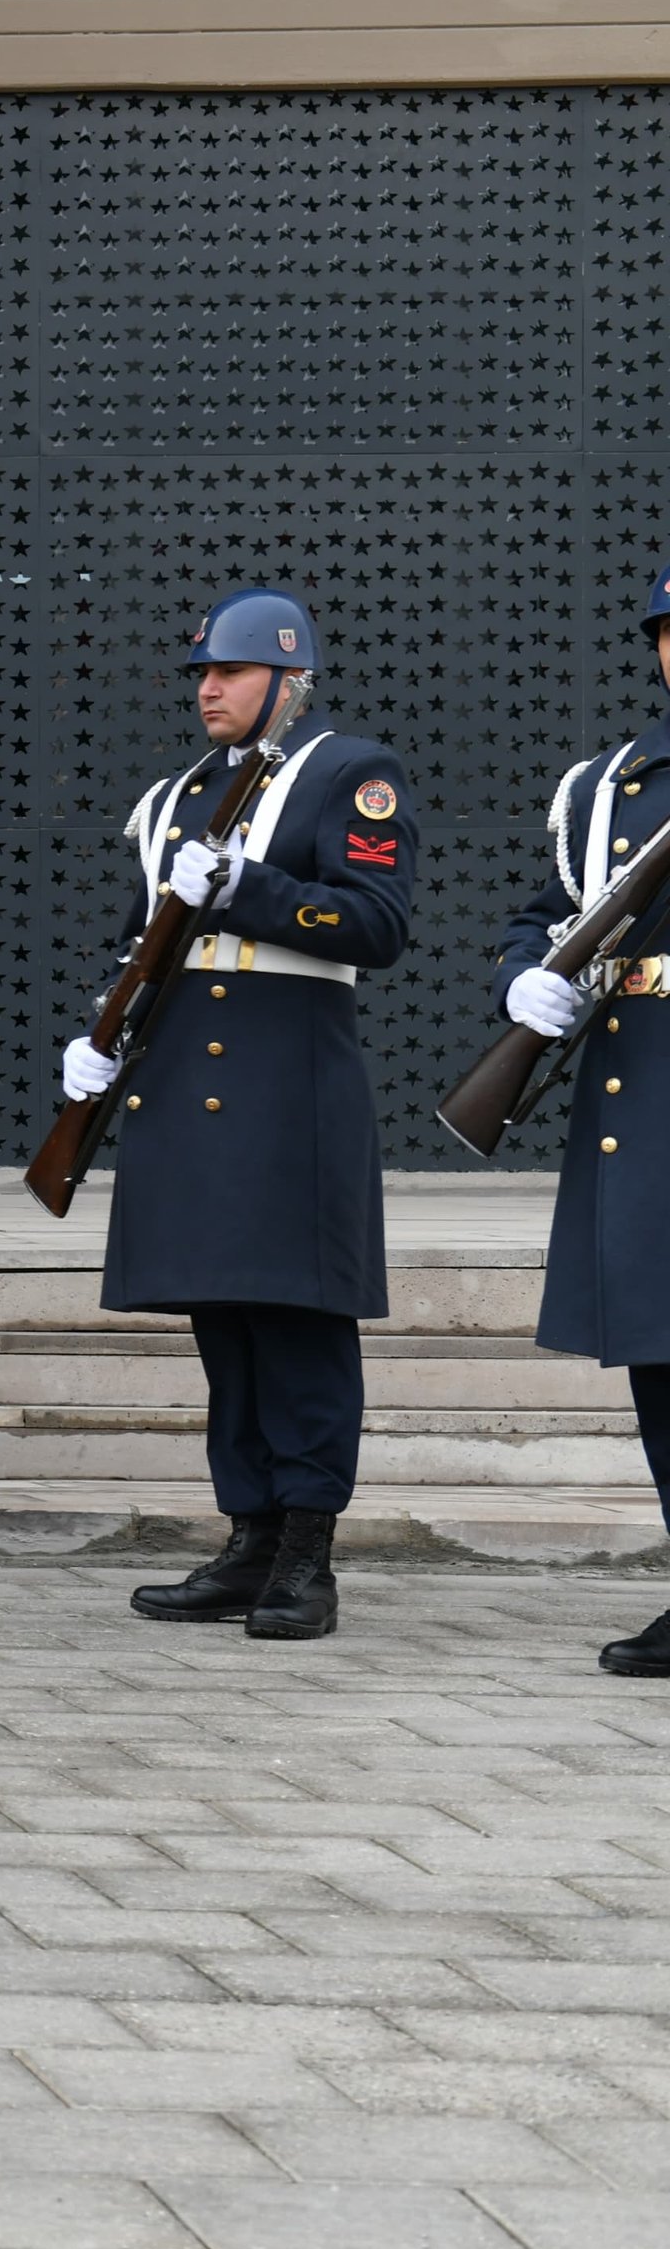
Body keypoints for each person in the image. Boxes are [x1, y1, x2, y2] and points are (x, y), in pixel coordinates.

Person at [67, 587, 413, 1643]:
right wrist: (99, 1033)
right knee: (224, 1324)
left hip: (286, 1092)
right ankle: (246, 1536)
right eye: (199, 674)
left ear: (284, 677)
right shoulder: (176, 797)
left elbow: (376, 923)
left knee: (298, 1326)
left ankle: (306, 1555)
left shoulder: (349, 773)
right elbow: (145, 938)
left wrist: (251, 888)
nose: (206, 688)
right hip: (188, 1092)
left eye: (226, 672)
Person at [493, 564, 670, 1678]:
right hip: (642, 1085)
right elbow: (541, 912)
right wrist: (525, 977)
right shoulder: (607, 785)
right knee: (660, 1357)